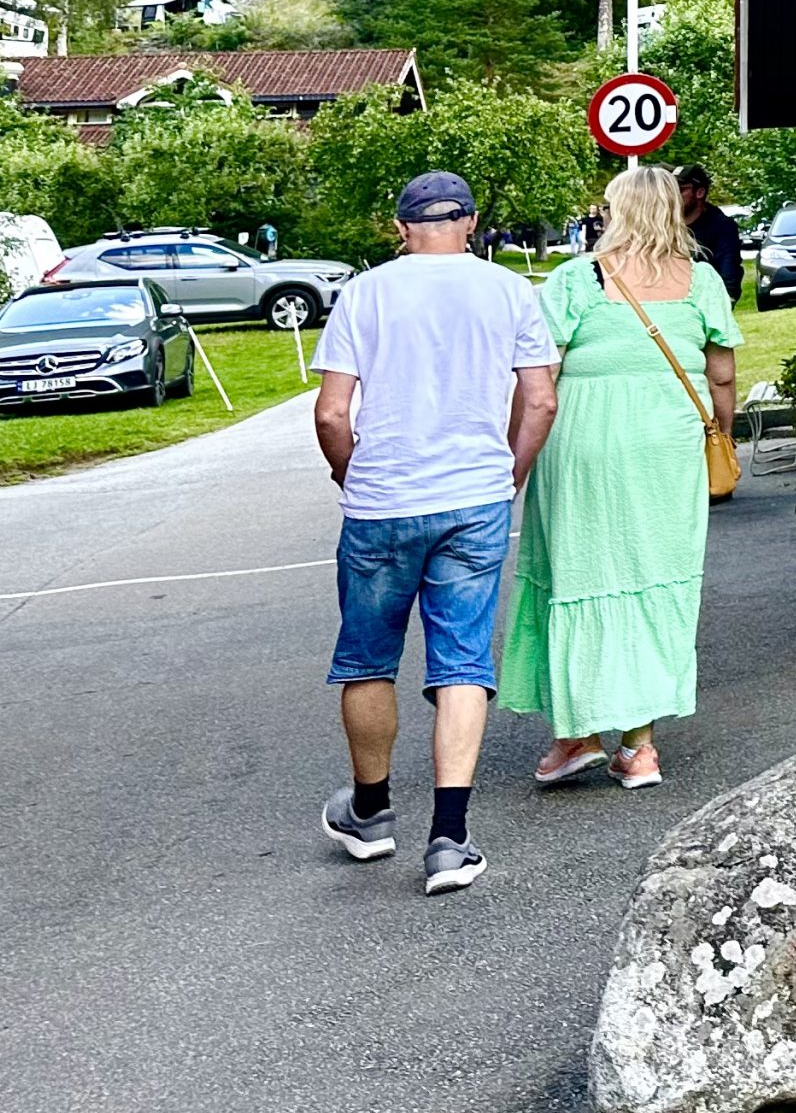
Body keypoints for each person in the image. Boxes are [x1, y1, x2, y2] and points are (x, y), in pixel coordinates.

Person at [314, 171, 559, 896]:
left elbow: (332, 415)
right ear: (473, 223)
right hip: (473, 500)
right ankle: (450, 840)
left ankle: (370, 813)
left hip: (382, 502)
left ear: (400, 228)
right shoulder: (511, 291)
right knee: (461, 662)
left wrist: (349, 475)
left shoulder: (364, 293)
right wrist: (507, 476)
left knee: (366, 659)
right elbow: (540, 399)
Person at [498, 162, 741, 791]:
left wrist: (511, 457)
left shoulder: (576, 280)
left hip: (582, 441)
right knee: (654, 579)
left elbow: (537, 382)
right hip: (665, 443)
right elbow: (721, 375)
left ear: (615, 211)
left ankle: (576, 733)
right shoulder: (702, 280)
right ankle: (640, 748)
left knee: (577, 575)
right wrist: (722, 433)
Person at [674, 165, 744, 305]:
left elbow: (729, 271)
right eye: (670, 190)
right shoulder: (664, 225)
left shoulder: (721, 227)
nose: (673, 196)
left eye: (680, 190)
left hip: (705, 305)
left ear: (699, 192)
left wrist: (724, 304)